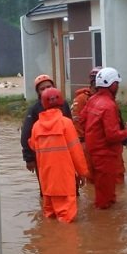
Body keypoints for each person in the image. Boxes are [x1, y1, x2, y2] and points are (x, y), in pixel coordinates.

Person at [29, 88, 90, 222]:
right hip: (64, 183)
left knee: (49, 220)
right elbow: (76, 151)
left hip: (47, 185)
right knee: (67, 224)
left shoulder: (36, 127)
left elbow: (32, 146)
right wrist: (83, 173)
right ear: (61, 103)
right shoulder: (66, 123)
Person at [83, 67, 127, 209]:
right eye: (117, 84)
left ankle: (105, 224)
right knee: (105, 201)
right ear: (113, 85)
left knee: (103, 193)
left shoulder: (92, 100)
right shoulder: (109, 105)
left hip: (92, 153)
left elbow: (82, 120)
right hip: (105, 156)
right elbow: (112, 136)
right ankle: (106, 227)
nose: (118, 87)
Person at [20, 74, 72, 174]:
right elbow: (26, 135)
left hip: (65, 156)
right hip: (43, 159)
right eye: (42, 89)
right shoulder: (34, 109)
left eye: (49, 87)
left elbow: (71, 131)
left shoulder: (63, 104)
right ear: (38, 93)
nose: (46, 90)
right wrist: (29, 158)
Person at [71, 66, 101, 141]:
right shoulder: (81, 99)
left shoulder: (105, 98)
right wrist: (82, 140)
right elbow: (76, 121)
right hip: (85, 141)